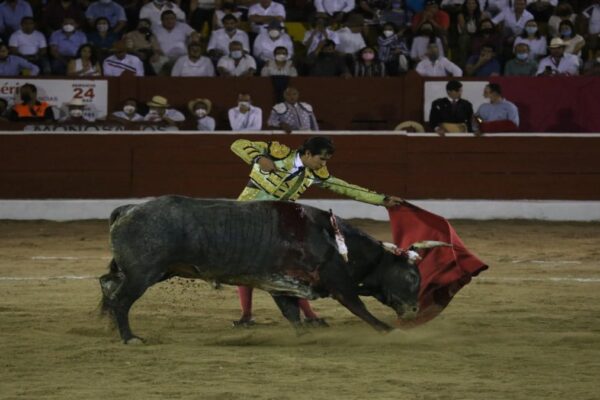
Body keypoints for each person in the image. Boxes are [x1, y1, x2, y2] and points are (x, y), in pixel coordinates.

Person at [229, 135, 405, 326]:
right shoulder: (277, 153)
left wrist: (382, 199)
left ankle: (308, 316)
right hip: (246, 219)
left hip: (274, 224)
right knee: (249, 267)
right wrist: (258, 158)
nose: (323, 164)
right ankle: (248, 315)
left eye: (326, 160)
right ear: (307, 153)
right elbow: (237, 144)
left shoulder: (314, 174)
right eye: (321, 159)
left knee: (289, 270)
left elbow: (346, 188)